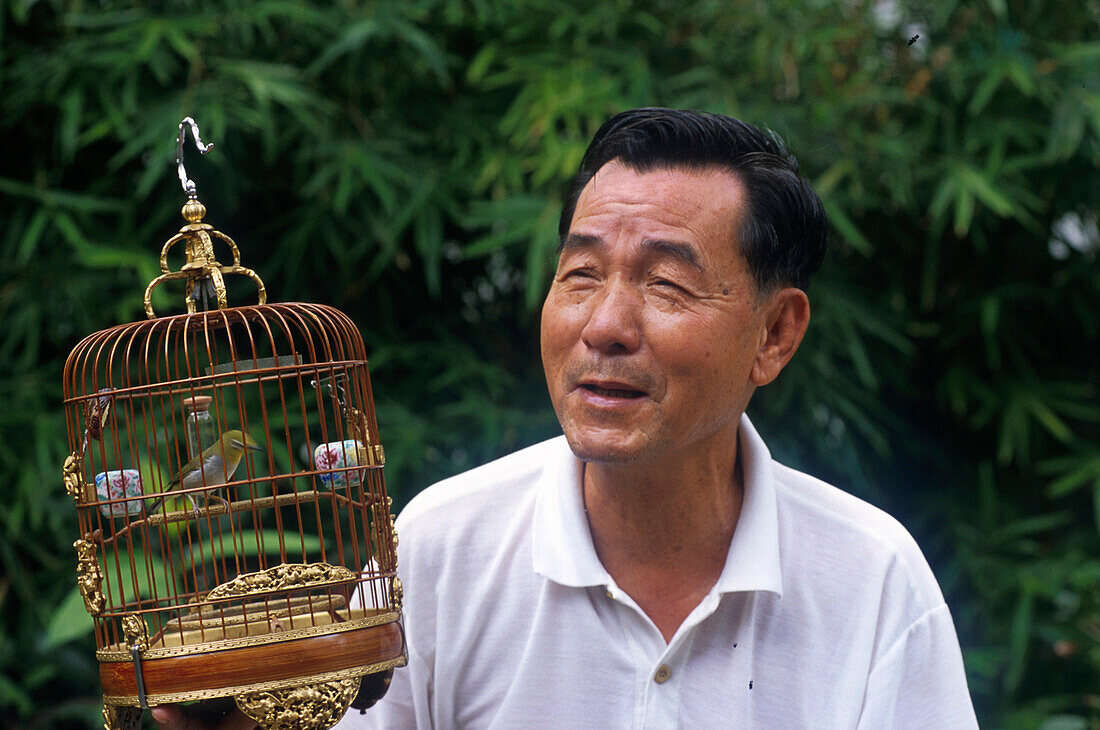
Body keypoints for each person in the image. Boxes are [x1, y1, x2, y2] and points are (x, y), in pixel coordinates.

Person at [156, 108, 978, 729]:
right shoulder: (442, 547)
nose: (604, 326)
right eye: (581, 274)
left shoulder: (872, 581)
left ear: (774, 334)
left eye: (666, 284)